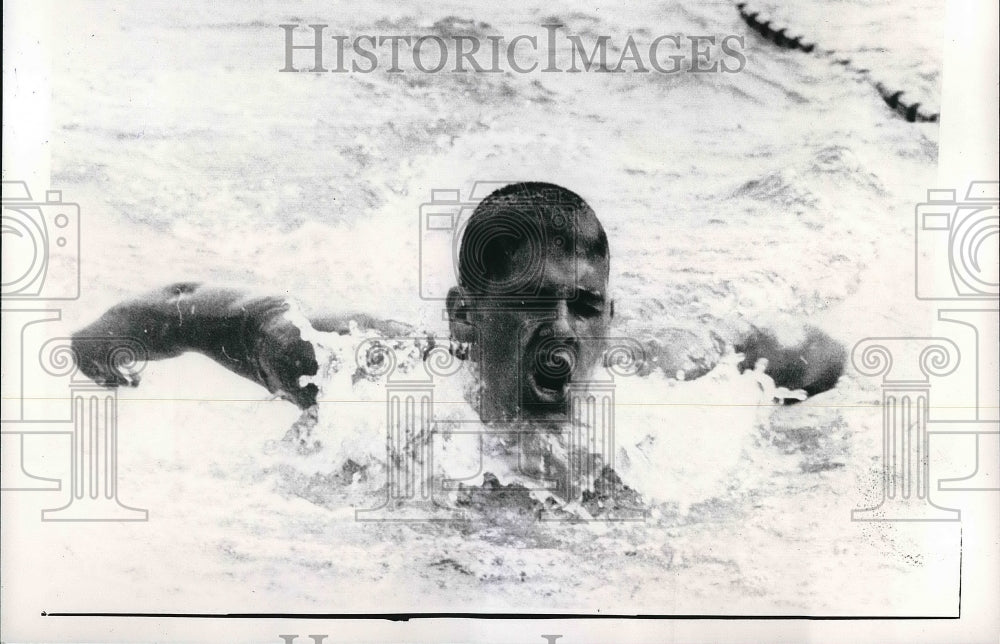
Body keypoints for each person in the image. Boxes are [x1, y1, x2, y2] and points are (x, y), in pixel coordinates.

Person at [70, 182, 845, 424]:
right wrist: (101, 351)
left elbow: (799, 350)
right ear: (465, 316)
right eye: (538, 302)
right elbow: (204, 308)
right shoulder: (357, 374)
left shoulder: (654, 378)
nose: (567, 329)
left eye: (586, 305)